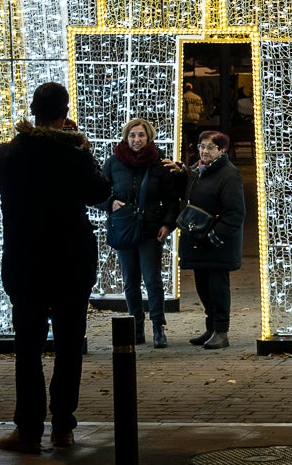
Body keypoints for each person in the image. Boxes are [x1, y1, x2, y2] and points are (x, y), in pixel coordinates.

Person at [0, 81, 110, 453]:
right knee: (69, 344)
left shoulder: (8, 155)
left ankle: (28, 429)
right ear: (65, 113)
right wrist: (80, 145)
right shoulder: (73, 154)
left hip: (25, 261)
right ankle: (63, 426)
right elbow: (100, 192)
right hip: (69, 262)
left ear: (33, 110)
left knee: (27, 347)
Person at [102, 118, 182, 348]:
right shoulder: (114, 162)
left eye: (141, 135)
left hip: (150, 230)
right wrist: (110, 203)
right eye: (132, 135)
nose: (137, 140)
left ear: (149, 138)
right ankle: (136, 327)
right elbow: (96, 191)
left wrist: (167, 225)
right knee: (130, 280)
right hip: (125, 230)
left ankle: (158, 326)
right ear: (126, 138)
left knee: (152, 279)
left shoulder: (159, 163)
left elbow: (171, 199)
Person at [177, 130, 246, 350]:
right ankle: (211, 327)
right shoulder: (198, 171)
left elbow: (235, 213)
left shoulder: (229, 174)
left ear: (222, 150)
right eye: (201, 146)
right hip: (198, 238)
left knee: (217, 288)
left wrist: (216, 235)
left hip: (216, 243)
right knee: (203, 287)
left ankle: (221, 331)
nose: (204, 151)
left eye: (210, 147)